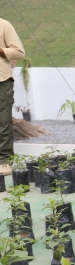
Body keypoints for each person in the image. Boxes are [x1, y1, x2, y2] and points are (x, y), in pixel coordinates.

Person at [0, 17, 24, 176]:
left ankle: (4, 161)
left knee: (3, 122)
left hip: (2, 81)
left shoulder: (4, 25)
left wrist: (1, 50)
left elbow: (19, 52)